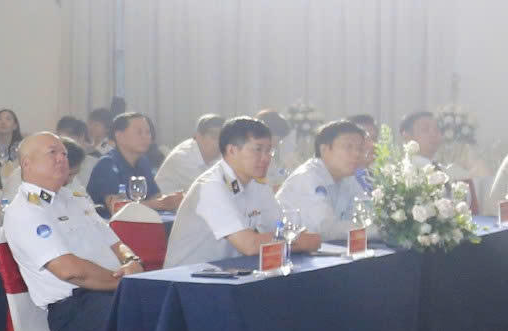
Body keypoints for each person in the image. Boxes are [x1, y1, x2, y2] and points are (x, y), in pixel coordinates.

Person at [3, 133, 140, 331]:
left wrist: (132, 260)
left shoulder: (75, 199)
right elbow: (69, 271)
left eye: (64, 154)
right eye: (52, 153)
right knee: (147, 322)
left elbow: (115, 243)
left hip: (112, 291)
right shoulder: (26, 210)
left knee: (170, 309)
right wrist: (123, 282)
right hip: (76, 308)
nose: (62, 158)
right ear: (27, 164)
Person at [170, 117, 316, 269]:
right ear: (232, 150)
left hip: (230, 272)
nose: (266, 158)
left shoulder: (258, 183)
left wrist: (299, 237)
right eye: (258, 149)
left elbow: (279, 225)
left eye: (269, 150)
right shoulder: (211, 186)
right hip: (186, 277)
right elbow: (249, 245)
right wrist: (300, 241)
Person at [279, 120, 371, 241]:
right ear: (324, 150)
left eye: (360, 149)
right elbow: (324, 228)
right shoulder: (308, 177)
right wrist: (374, 231)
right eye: (348, 147)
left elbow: (367, 214)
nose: (356, 154)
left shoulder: (349, 178)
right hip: (288, 248)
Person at [85, 111, 178, 213]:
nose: (145, 137)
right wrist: (161, 203)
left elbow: (155, 196)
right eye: (139, 132)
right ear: (119, 136)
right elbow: (116, 208)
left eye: (148, 132)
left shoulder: (143, 161)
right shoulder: (107, 164)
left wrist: (172, 200)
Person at [155, 114, 224, 197]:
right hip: (163, 204)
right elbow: (210, 190)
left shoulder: (218, 155)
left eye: (223, 138)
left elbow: (231, 182)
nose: (220, 143)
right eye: (215, 137)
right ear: (199, 136)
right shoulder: (183, 158)